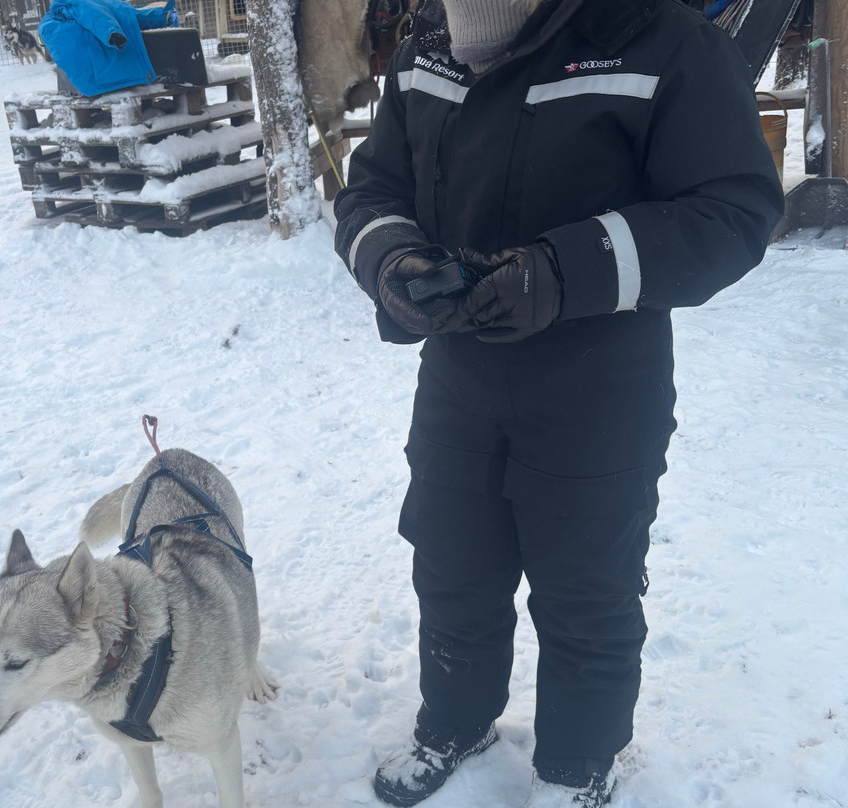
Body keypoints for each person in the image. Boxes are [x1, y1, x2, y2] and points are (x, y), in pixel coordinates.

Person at [332, 0, 784, 805]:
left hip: (600, 387)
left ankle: (576, 766)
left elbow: (733, 211)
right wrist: (391, 260)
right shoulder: (427, 45)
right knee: (453, 565)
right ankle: (456, 719)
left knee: (587, 592)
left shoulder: (661, 40)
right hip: (459, 375)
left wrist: (566, 271)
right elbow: (372, 189)